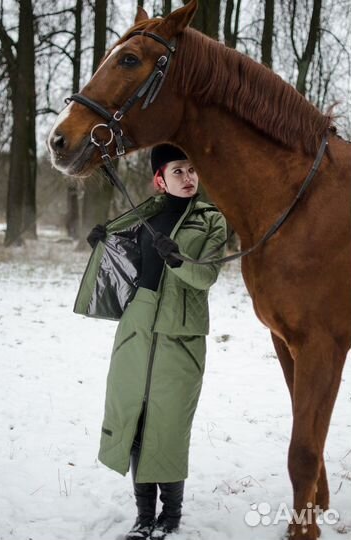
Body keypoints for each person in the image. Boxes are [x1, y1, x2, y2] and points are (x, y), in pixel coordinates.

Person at [74, 144, 227, 539]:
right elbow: (127, 267)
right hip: (136, 328)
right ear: (160, 178)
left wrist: (177, 260)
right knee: (137, 422)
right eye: (178, 171)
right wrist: (105, 245)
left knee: (170, 425)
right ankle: (144, 518)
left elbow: (207, 274)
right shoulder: (145, 214)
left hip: (181, 333)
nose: (188, 177)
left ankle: (170, 516)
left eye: (192, 169)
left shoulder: (212, 220)